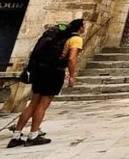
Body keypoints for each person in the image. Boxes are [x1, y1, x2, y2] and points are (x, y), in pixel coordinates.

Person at [8, 18, 85, 147]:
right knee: (43, 105)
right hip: (54, 73)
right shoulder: (76, 39)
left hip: (40, 71)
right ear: (79, 27)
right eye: (84, 25)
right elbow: (72, 59)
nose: (85, 28)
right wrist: (72, 76)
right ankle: (33, 135)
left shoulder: (57, 38)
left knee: (33, 104)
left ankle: (16, 135)